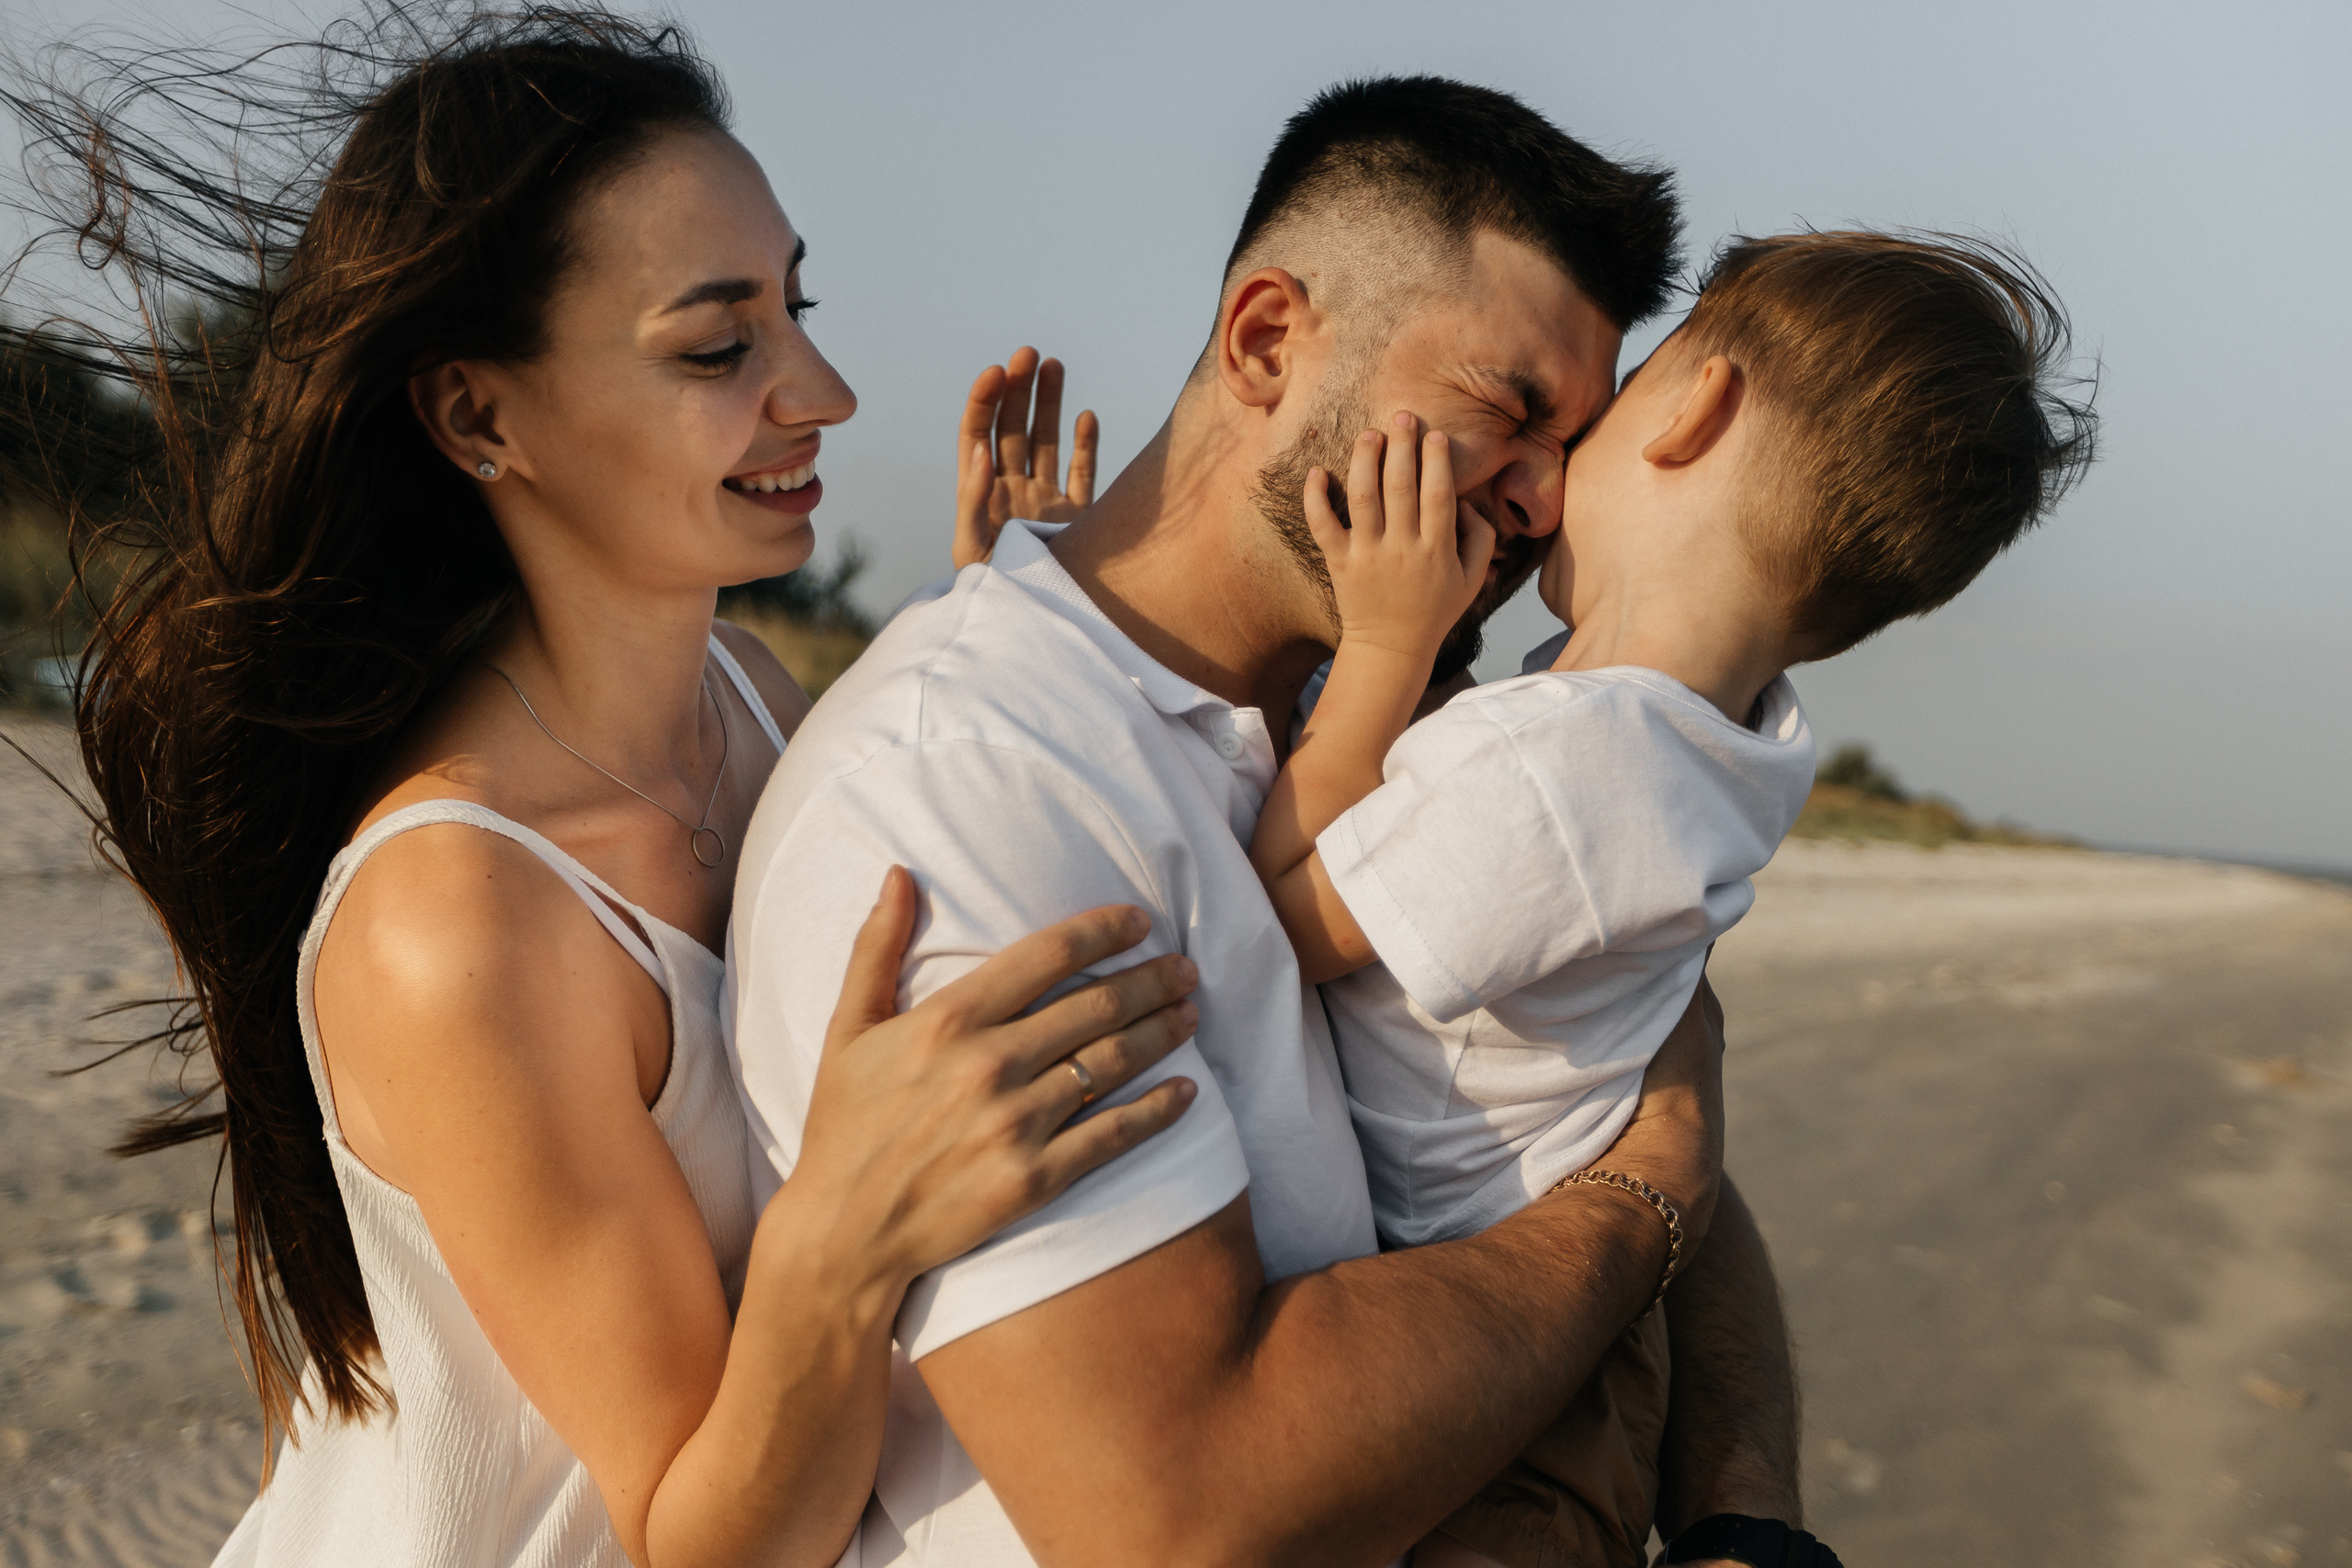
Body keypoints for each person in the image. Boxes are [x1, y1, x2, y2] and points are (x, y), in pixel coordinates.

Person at [4, 11, 1203, 1566]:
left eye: (796, 308)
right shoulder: (461, 925)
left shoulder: (760, 707)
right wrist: (844, 1237)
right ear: (479, 416)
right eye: (721, 347)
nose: (822, 390)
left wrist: (993, 652)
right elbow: (702, 1539)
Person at [729, 76, 1797, 1568]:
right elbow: (1174, 1515)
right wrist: (1641, 1203)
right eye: (1511, 412)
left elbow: (1627, 1083)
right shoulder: (975, 779)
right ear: (1270, 341)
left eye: (1578, 442)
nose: (1546, 499)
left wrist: (1750, 1520)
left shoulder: (1417, 727)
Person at [1247, 231, 2098, 1566]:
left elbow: (1276, 929)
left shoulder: (1567, 765)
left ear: (1696, 408)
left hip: (1496, 1405)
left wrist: (1385, 645)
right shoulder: (1711, 746)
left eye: (1632, 383)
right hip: (1579, 1351)